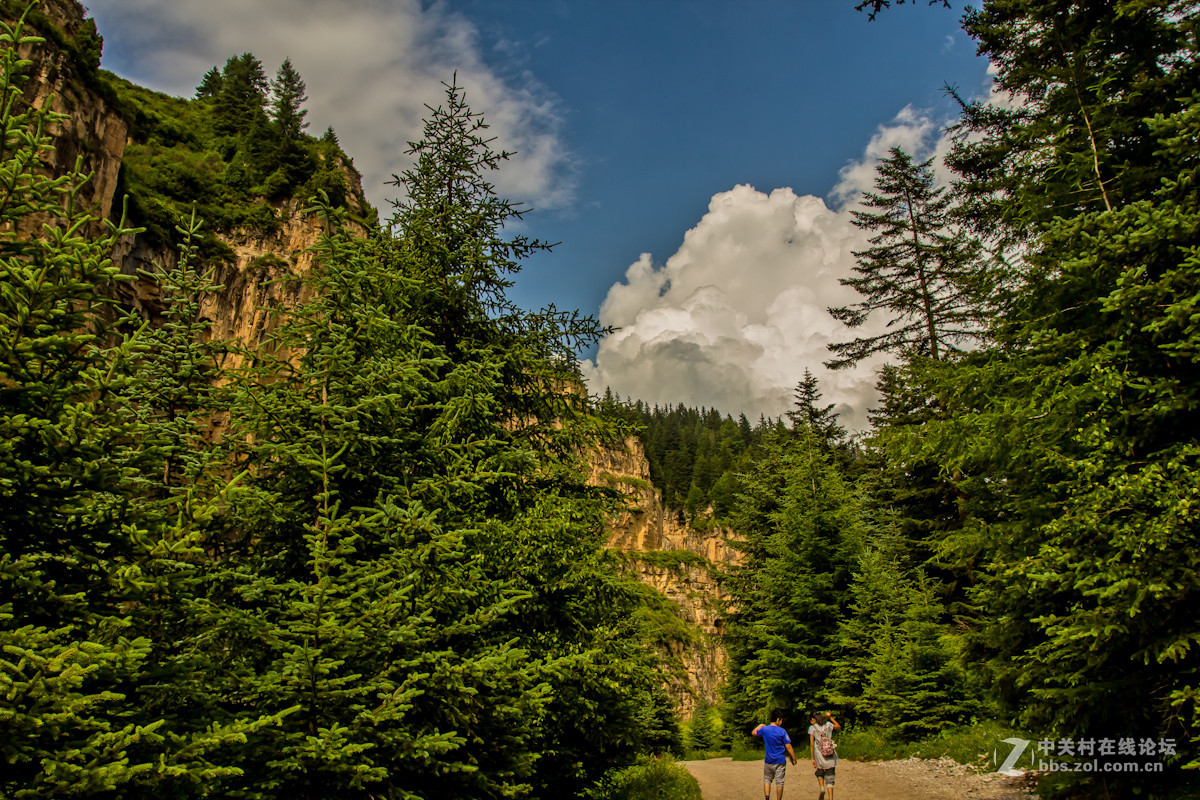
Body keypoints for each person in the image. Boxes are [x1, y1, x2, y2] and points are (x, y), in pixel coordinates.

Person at [752, 709, 798, 800]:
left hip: (768, 759)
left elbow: (753, 732)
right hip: (780, 760)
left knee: (767, 779)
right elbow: (788, 746)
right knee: (780, 782)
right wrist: (794, 758)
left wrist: (761, 725)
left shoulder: (765, 730)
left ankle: (767, 798)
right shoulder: (782, 731)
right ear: (778, 720)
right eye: (781, 720)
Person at [808, 711, 841, 800]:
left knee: (819, 772)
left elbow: (811, 744)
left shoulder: (812, 728)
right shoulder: (829, 725)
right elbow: (838, 726)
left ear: (813, 719)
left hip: (819, 753)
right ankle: (831, 798)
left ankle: (822, 787)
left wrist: (812, 758)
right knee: (830, 777)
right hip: (829, 752)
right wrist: (830, 717)